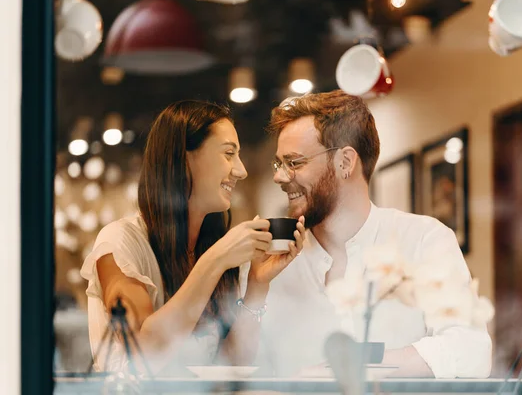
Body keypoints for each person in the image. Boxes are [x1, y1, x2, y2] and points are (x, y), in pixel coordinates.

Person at [256, 90, 491, 378]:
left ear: (345, 162)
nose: (279, 177)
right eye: (279, 164)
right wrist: (254, 286)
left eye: (294, 163)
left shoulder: (423, 240)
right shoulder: (270, 263)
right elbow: (243, 368)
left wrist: (352, 368)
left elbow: (470, 349)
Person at [80, 100, 305, 373]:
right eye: (228, 153)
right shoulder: (120, 242)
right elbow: (144, 353)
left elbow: (233, 363)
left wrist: (258, 284)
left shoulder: (208, 246)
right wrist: (215, 260)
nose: (241, 170)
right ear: (183, 158)